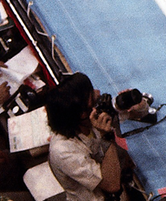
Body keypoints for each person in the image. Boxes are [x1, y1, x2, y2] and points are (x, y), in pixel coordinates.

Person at [46, 73, 129, 201]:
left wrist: (134, 104)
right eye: (91, 94)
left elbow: (135, 115)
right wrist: (106, 137)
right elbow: (112, 185)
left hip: (116, 176)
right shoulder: (63, 151)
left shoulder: (88, 118)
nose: (98, 93)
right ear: (82, 113)